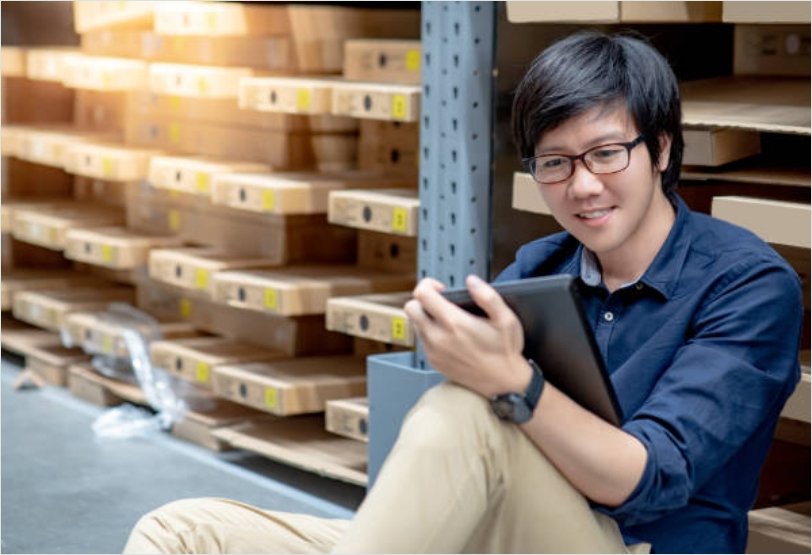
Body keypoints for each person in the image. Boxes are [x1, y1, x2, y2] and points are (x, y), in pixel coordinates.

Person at [123, 31, 802, 554]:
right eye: (555, 163)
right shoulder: (544, 264)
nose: (583, 185)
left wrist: (514, 384)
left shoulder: (746, 284)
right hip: (507, 532)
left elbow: (647, 478)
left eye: (605, 153)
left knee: (472, 411)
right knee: (182, 530)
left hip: (631, 542)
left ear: (659, 149)